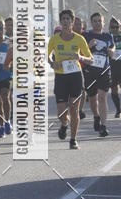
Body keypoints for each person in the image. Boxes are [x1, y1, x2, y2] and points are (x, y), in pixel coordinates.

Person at [47, 8, 92, 150]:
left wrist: (80, 57)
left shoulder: (80, 39)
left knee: (74, 109)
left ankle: (73, 139)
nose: (66, 21)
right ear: (60, 21)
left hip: (75, 76)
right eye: (64, 19)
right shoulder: (54, 39)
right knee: (61, 112)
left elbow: (90, 59)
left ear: (72, 22)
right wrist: (52, 63)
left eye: (68, 19)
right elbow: (47, 56)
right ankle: (64, 124)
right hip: (61, 77)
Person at [84, 11, 115, 137]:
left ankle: (103, 126)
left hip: (104, 70)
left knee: (102, 97)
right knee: (92, 99)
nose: (97, 23)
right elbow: (80, 50)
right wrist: (88, 45)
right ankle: (96, 116)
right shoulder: (86, 35)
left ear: (103, 22)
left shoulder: (108, 36)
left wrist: (111, 51)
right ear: (91, 23)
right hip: (90, 71)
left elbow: (112, 47)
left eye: (99, 21)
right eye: (95, 21)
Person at [109, 17, 121, 118]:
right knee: (114, 89)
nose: (115, 29)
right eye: (113, 27)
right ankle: (118, 109)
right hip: (112, 66)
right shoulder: (107, 37)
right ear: (109, 27)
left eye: (117, 27)